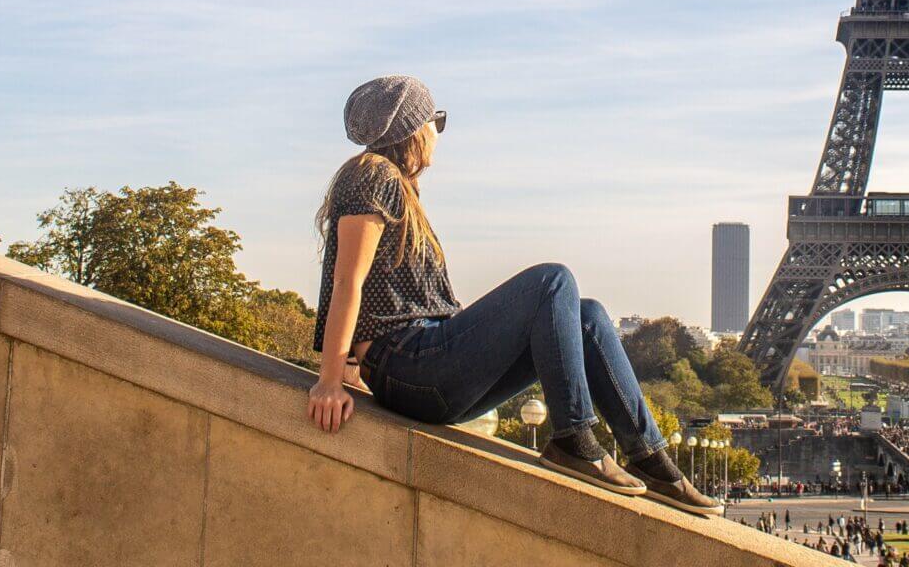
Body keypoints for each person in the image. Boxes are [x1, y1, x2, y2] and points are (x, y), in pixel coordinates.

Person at [305, 76, 719, 516]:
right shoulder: (373, 176)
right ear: (414, 129)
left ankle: (651, 459)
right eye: (436, 121)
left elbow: (375, 292)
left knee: (588, 316)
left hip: (420, 366)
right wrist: (329, 379)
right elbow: (347, 281)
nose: (438, 133)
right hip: (410, 365)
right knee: (552, 281)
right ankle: (573, 438)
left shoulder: (392, 184)